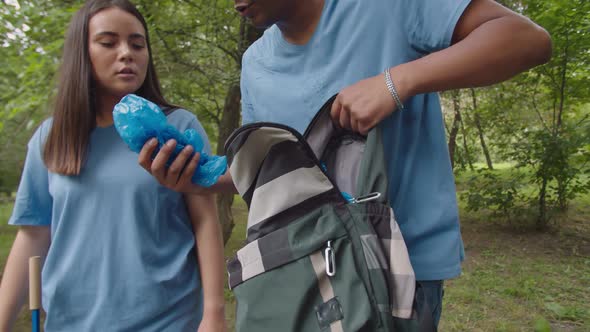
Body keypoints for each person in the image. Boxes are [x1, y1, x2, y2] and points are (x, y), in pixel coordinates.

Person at [139, 0, 552, 328]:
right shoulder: (255, 64)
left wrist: (395, 83)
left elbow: (527, 39)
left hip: (398, 275)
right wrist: (195, 178)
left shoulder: (387, 7)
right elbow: (261, 173)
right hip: (300, 274)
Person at [0, 1, 227, 331]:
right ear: (82, 52)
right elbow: (33, 236)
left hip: (167, 320)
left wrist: (214, 313)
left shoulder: (177, 127)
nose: (127, 54)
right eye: (108, 43)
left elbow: (205, 220)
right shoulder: (50, 137)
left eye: (137, 44)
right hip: (70, 322)